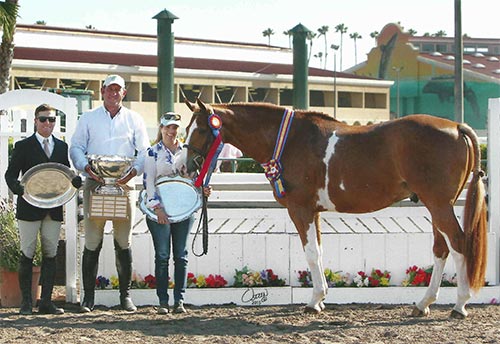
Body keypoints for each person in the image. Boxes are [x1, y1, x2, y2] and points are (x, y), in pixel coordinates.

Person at [70, 74, 150, 313]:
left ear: (124, 93)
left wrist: (134, 171)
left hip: (125, 186)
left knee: (123, 241)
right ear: (101, 91)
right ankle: (88, 298)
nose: (113, 93)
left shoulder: (135, 119)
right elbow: (76, 147)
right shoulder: (88, 118)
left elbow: (144, 150)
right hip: (95, 184)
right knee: (93, 241)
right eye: (109, 89)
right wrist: (86, 167)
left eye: (118, 90)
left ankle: (125, 297)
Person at [4, 104, 82, 315]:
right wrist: (17, 188)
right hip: (28, 208)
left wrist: (74, 181)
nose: (48, 123)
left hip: (53, 208)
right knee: (27, 254)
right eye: (43, 119)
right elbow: (10, 175)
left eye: (52, 120)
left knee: (51, 254)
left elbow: (64, 174)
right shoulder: (23, 146)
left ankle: (46, 301)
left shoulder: (61, 147)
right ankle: (26, 302)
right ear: (35, 121)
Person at [143, 112, 211, 314]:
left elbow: (194, 178)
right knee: (162, 255)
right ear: (161, 128)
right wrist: (157, 208)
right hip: (160, 212)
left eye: (175, 127)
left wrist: (202, 190)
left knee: (181, 255)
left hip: (183, 209)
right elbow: (149, 183)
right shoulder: (152, 152)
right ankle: (163, 300)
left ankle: (179, 300)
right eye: (168, 127)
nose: (172, 131)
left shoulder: (187, 151)